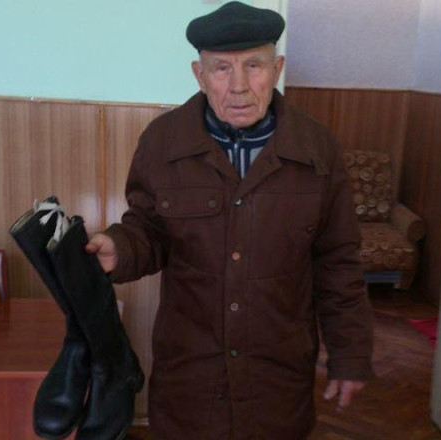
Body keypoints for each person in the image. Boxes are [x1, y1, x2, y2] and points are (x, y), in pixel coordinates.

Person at [86, 2, 374, 438]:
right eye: (221, 68)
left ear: (276, 69)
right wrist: (121, 248)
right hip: (190, 373)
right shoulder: (161, 142)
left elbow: (338, 260)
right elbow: (149, 229)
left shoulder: (318, 149)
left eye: (254, 65)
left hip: (278, 375)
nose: (239, 86)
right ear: (199, 75)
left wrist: (349, 354)